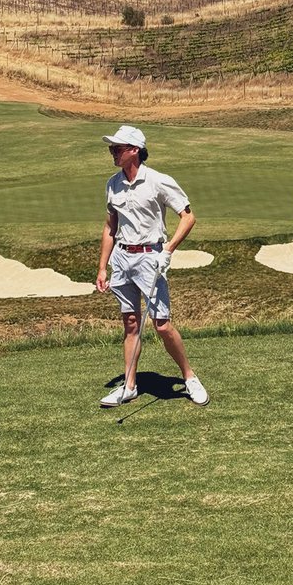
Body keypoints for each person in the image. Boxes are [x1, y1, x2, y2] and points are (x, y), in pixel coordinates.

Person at [95, 125, 208, 408]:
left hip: (150, 259)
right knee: (130, 323)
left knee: (161, 325)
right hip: (122, 258)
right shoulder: (112, 184)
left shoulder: (158, 181)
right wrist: (102, 267)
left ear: (134, 150)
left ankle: (190, 377)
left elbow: (188, 218)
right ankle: (129, 386)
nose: (112, 152)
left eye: (117, 148)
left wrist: (168, 250)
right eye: (111, 148)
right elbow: (110, 227)